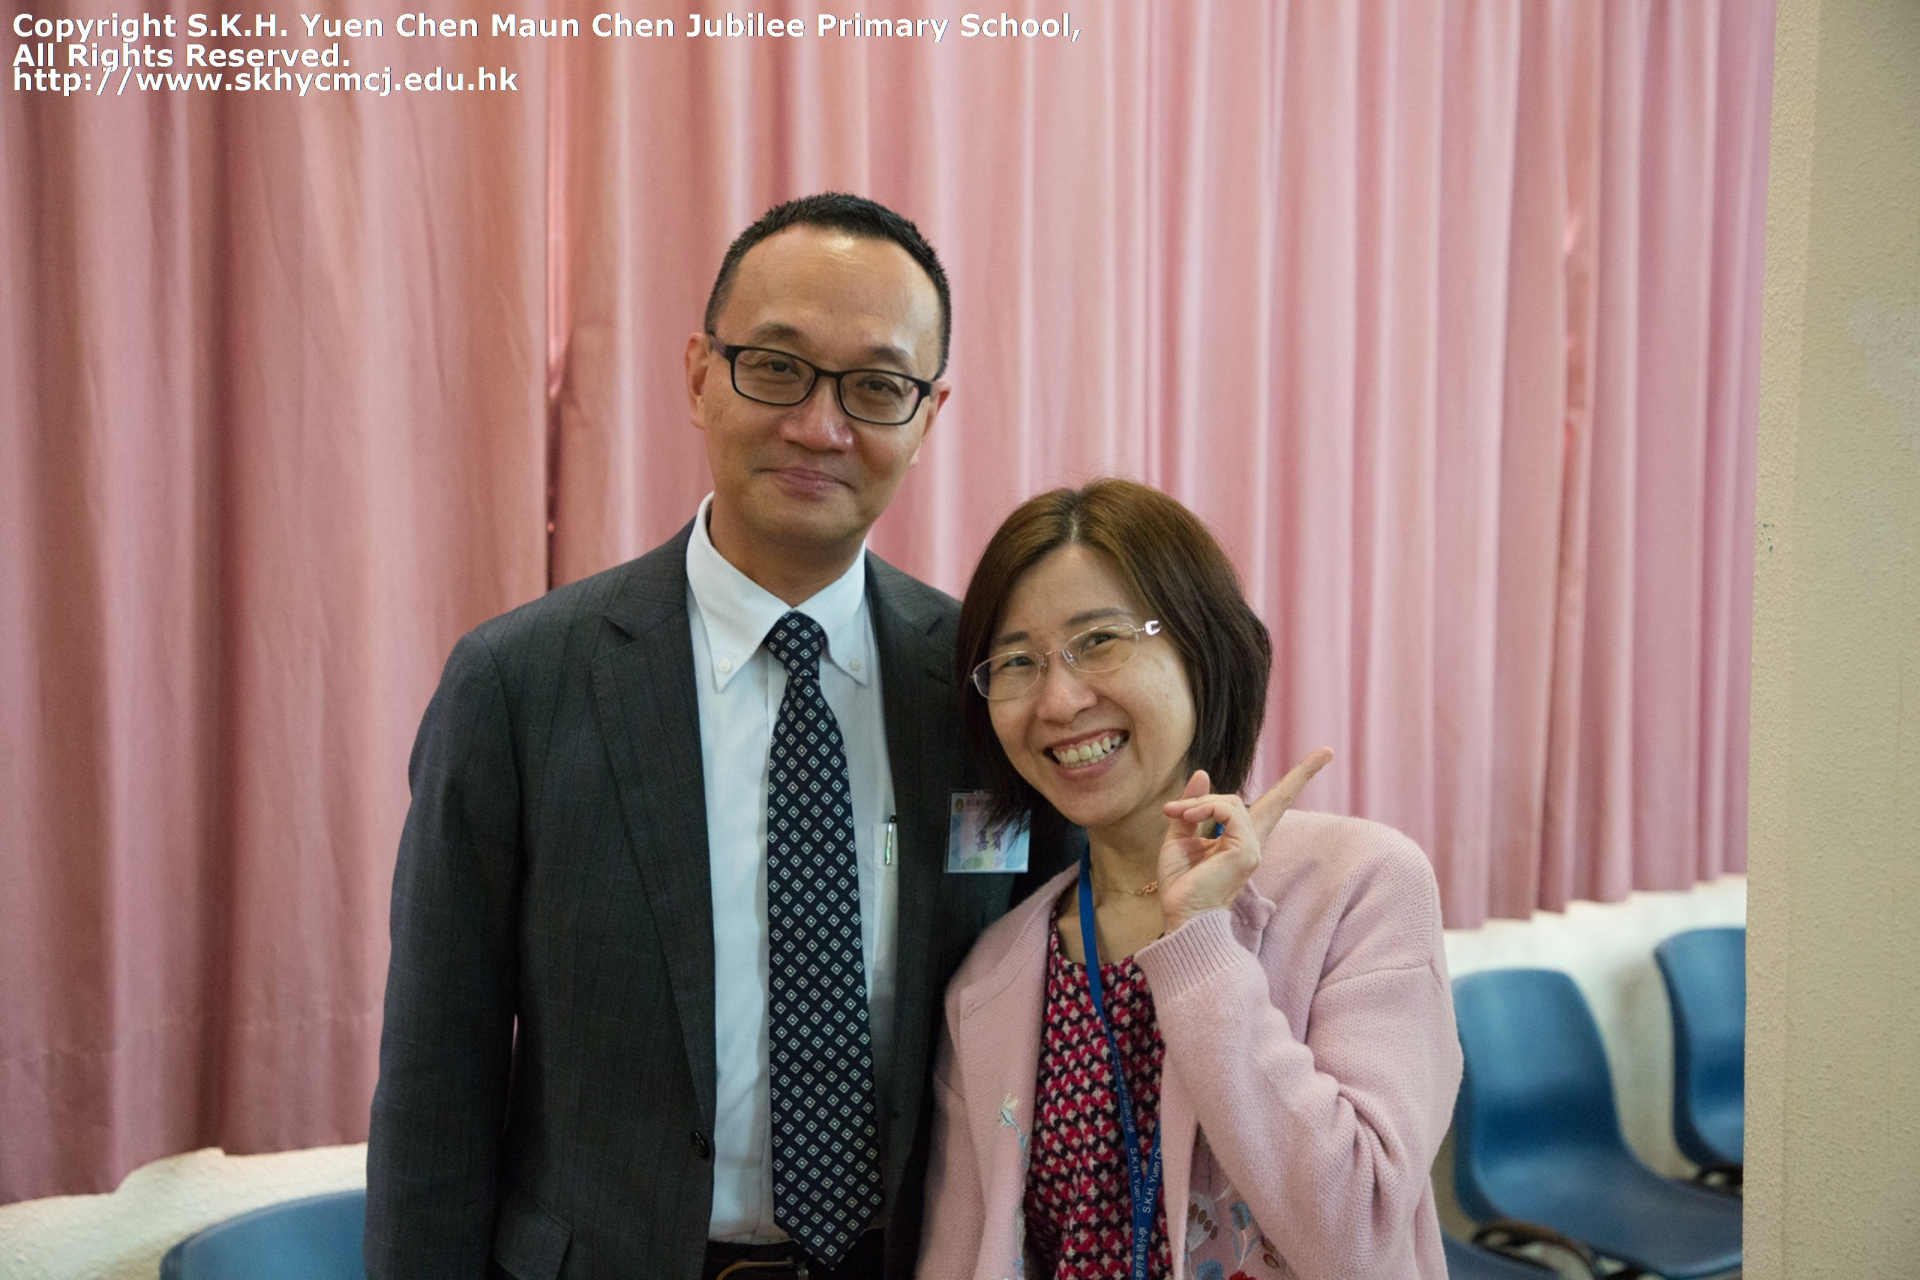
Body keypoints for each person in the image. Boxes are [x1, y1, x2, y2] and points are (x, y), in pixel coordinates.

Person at [366, 193, 1062, 1280]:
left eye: (877, 387)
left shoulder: (991, 686)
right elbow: (435, 1079)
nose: (820, 426)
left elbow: (1056, 1005)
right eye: (775, 367)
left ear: (928, 416)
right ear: (698, 375)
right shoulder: (519, 684)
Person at [918, 479, 1462, 1280]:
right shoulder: (993, 977)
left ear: (1200, 646)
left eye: (1098, 640)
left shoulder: (1361, 888)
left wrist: (1199, 944)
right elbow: (960, 1258)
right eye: (1017, 663)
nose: (1059, 700)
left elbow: (1358, 1227)